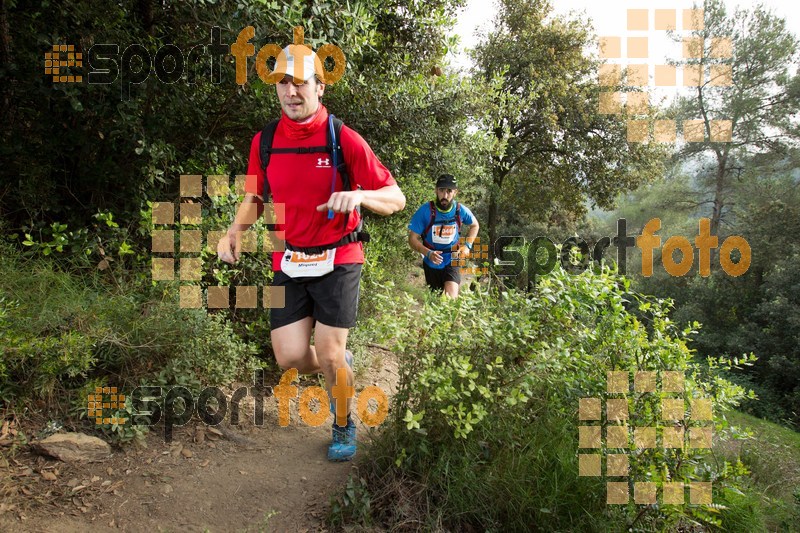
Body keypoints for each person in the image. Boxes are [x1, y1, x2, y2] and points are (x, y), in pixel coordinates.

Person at [217, 43, 405, 461]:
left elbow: (396, 197)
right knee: (290, 357)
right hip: (289, 257)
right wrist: (234, 230)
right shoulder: (264, 141)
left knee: (330, 351)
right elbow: (254, 197)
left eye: (300, 83)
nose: (291, 92)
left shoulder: (343, 138)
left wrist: (359, 197)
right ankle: (338, 359)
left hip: (339, 257)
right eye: (283, 83)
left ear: (320, 87)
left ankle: (343, 424)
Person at [407, 174, 479, 298]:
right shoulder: (425, 211)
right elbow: (412, 239)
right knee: (436, 300)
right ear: (436, 190)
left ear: (455, 192)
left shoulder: (460, 210)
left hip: (453, 258)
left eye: (449, 191)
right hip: (431, 260)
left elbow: (475, 225)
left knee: (451, 299)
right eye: (441, 190)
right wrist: (428, 253)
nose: (445, 196)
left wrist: (467, 246)